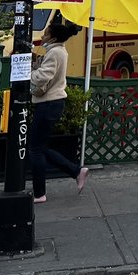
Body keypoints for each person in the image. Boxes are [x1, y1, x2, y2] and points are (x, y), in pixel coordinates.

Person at [30, 21, 88, 203]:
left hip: (48, 103)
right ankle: (75, 171)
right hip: (53, 103)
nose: (43, 36)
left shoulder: (54, 52)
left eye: (46, 33)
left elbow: (43, 77)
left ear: (53, 38)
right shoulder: (59, 51)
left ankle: (39, 193)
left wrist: (27, 73)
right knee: (39, 147)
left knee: (35, 149)